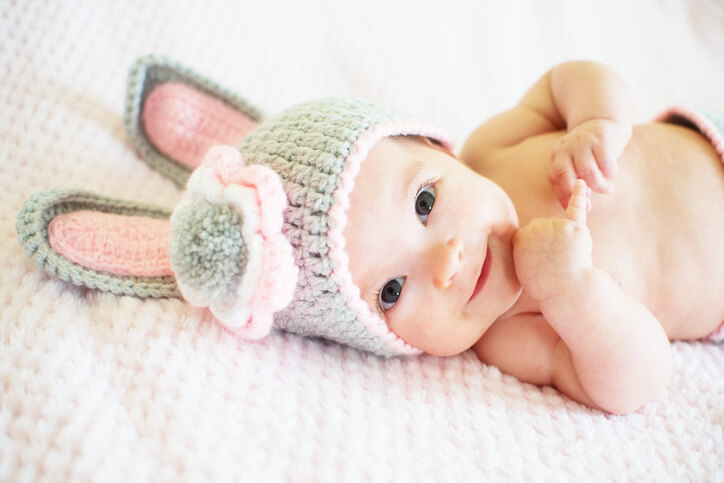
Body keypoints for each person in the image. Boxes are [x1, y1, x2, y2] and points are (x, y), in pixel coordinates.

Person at [18, 56, 723, 415]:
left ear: (435, 148)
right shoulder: (513, 330)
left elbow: (571, 78)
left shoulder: (495, 144)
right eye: (392, 289)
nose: (446, 261)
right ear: (392, 340)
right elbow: (636, 379)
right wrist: (576, 292)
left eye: (424, 200)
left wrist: (599, 123)